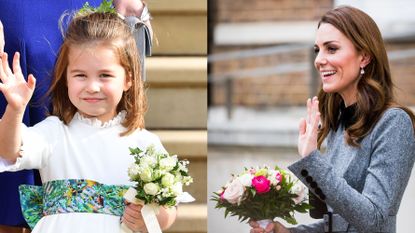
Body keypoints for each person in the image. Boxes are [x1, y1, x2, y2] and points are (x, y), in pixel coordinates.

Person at [0, 11, 175, 233]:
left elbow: (169, 207)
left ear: (128, 79)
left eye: (105, 75)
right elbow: (8, 151)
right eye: (80, 75)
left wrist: (151, 219)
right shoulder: (54, 132)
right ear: (66, 78)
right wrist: (15, 110)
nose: (92, 86)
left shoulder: (144, 143)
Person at [250, 5, 415, 233]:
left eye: (332, 49)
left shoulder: (393, 123)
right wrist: (287, 232)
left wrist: (311, 159)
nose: (319, 59)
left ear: (364, 56)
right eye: (317, 49)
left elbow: (374, 219)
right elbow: (338, 224)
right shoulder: (339, 124)